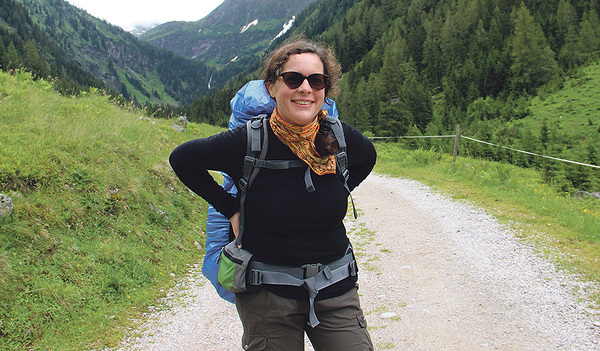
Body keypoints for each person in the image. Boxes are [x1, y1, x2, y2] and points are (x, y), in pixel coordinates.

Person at [169, 38, 376, 351]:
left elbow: (368, 158)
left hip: (336, 289)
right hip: (266, 295)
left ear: (325, 89)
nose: (306, 88)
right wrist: (231, 209)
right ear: (271, 87)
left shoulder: (341, 136)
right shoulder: (249, 141)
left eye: (316, 80)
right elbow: (182, 159)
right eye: (293, 79)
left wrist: (339, 186)